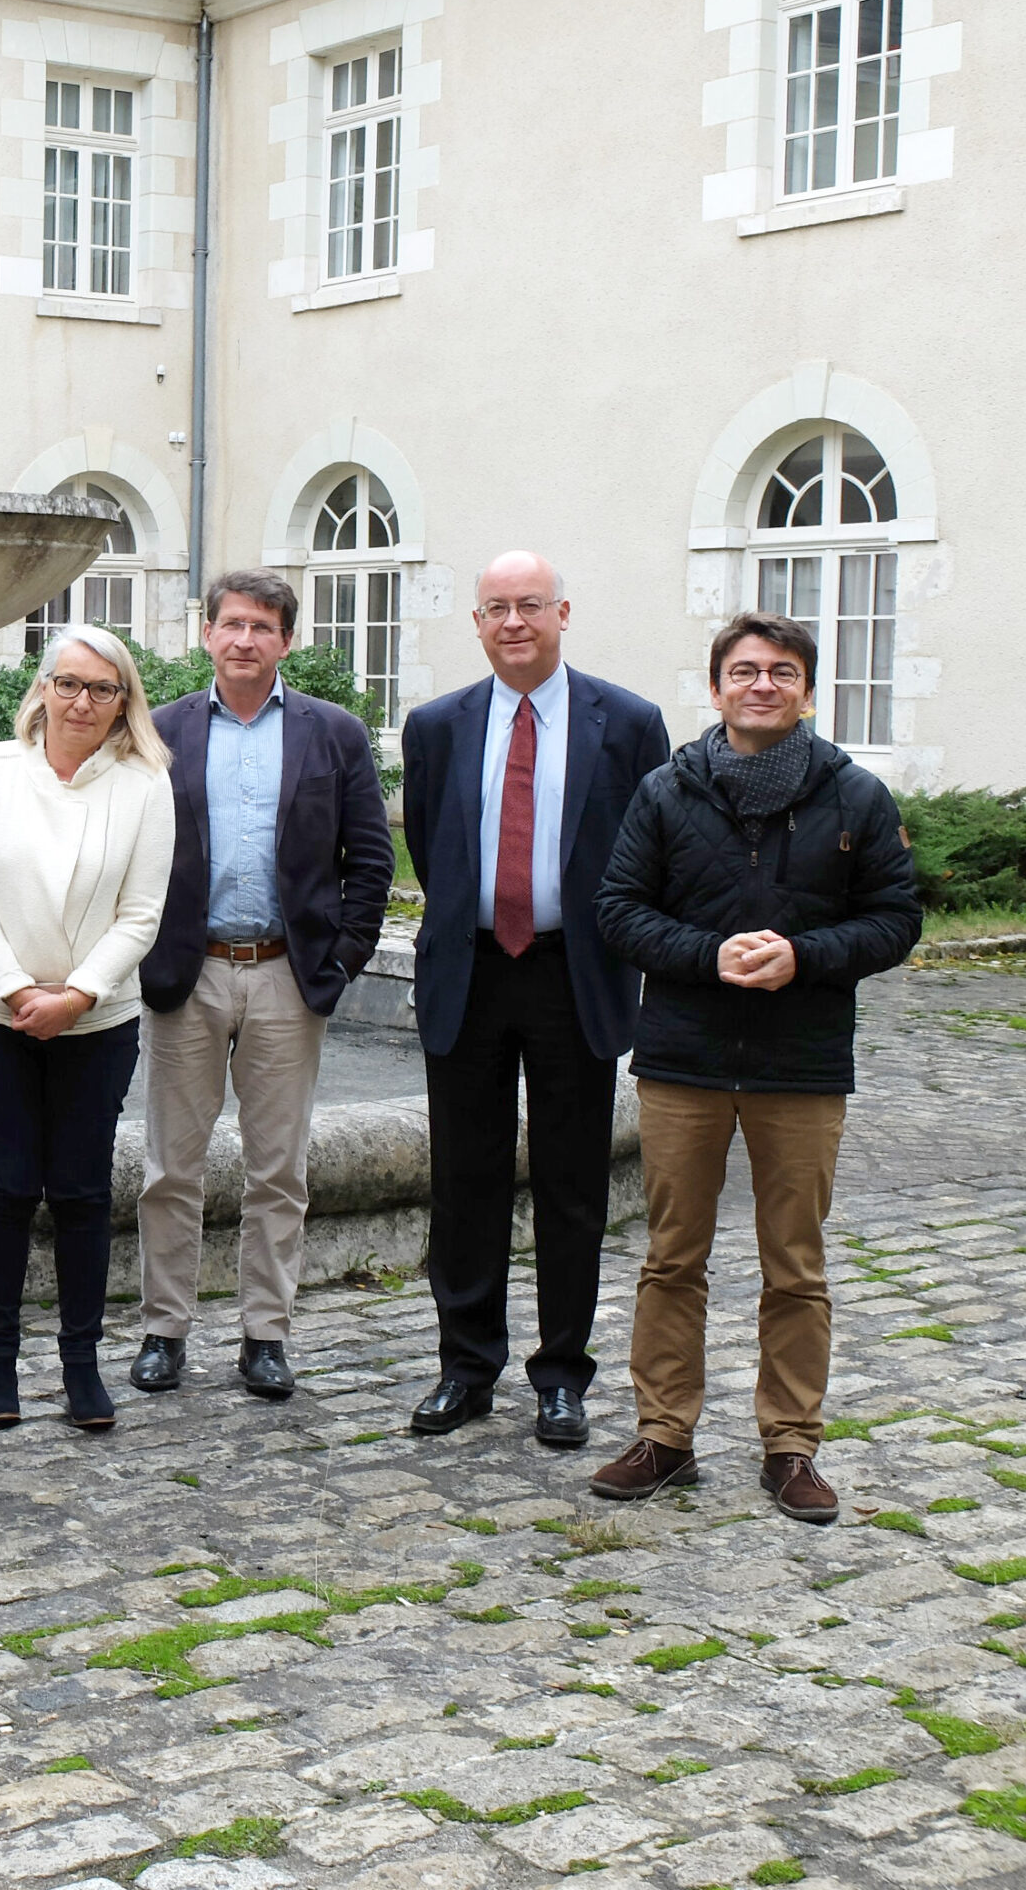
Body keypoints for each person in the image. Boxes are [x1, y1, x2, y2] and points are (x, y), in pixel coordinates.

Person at [590, 613, 920, 1521]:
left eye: (782, 671)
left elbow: (898, 919)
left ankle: (790, 1446)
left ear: (808, 691)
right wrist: (709, 955)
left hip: (800, 1063)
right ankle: (665, 1434)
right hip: (684, 1058)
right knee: (670, 1260)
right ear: (718, 688)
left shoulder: (855, 796)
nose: (763, 684)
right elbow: (618, 908)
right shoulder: (667, 791)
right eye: (745, 671)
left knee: (796, 1266)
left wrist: (804, 956)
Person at [400, 552, 670, 1447]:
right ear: (476, 624)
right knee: (463, 1183)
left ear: (563, 613)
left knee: (572, 1184)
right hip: (470, 973)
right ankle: (465, 1368)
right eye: (495, 608)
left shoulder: (628, 722)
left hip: (573, 974)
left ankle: (561, 1375)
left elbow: (645, 852)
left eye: (529, 606)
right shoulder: (436, 727)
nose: (513, 622)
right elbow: (436, 852)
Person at [131, 570, 393, 1402]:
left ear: (286, 640)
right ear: (206, 633)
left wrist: (341, 960)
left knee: (279, 1169)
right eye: (231, 624)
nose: (245, 640)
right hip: (190, 971)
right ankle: (163, 1330)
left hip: (287, 973)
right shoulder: (160, 732)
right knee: (171, 1166)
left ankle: (264, 1335)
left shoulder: (334, 734)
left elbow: (371, 860)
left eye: (262, 628)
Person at [0, 624, 175, 1433]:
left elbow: (142, 913)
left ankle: (83, 1366)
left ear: (123, 704)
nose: (82, 701)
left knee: (81, 1194)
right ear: (41, 688)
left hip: (97, 1022)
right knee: (4, 1190)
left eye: (102, 690)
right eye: (69, 683)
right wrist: (16, 991)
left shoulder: (146, 782)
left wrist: (75, 995)